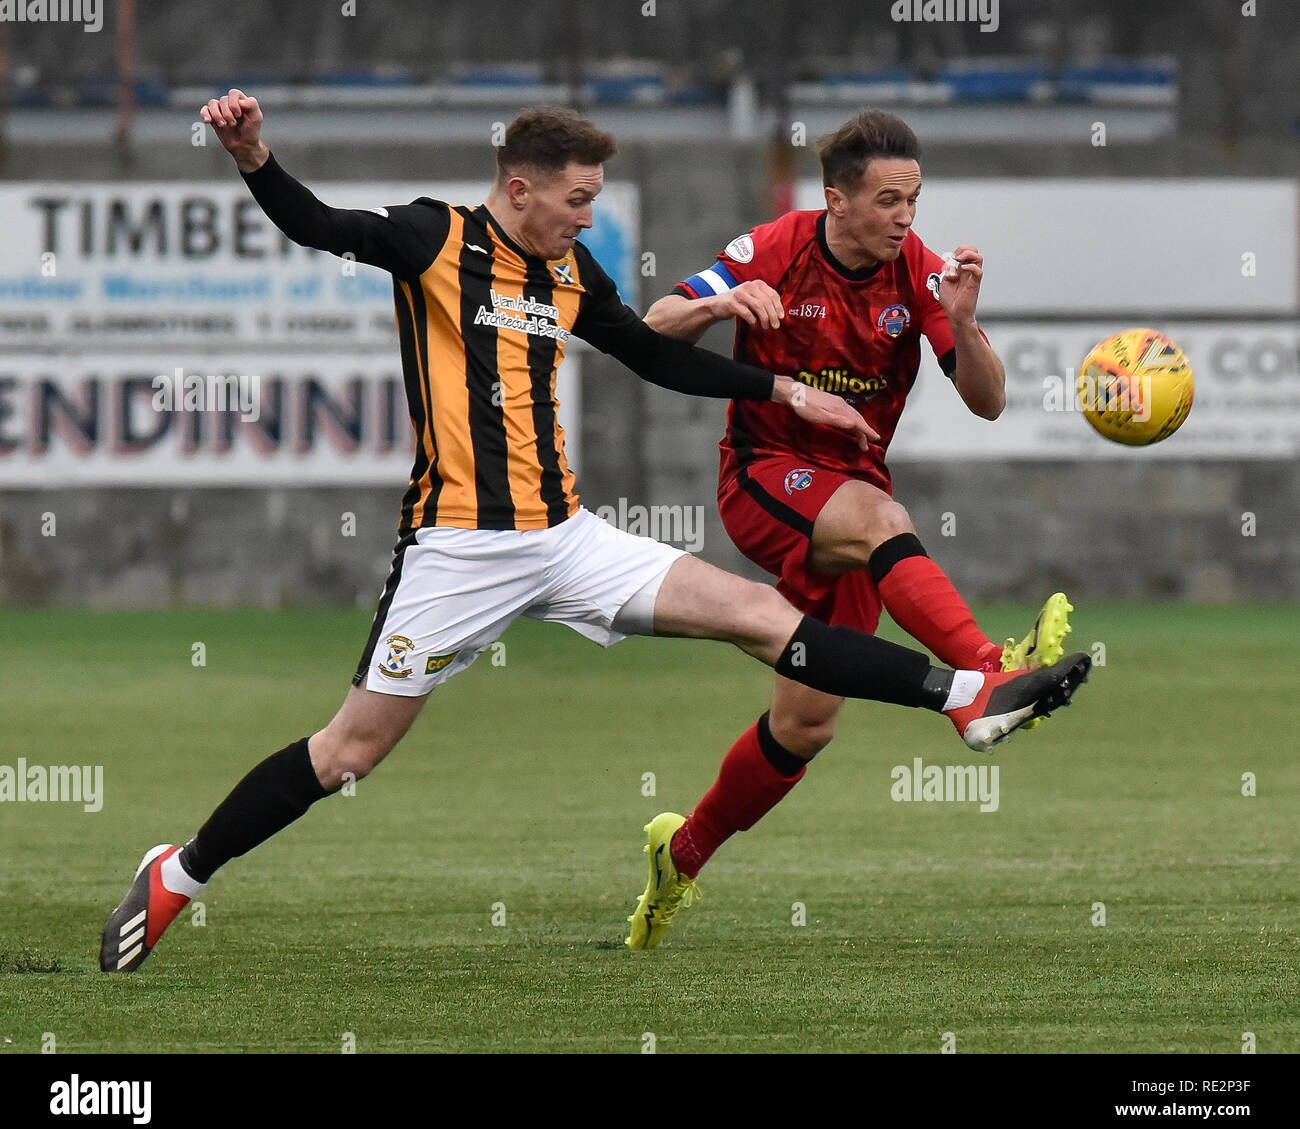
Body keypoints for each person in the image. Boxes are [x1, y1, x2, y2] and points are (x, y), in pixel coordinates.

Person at [100, 93, 1090, 972]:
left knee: (760, 614)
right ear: (519, 188)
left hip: (566, 538)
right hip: (457, 547)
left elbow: (651, 357)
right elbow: (319, 224)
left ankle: (966, 692)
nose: (588, 212)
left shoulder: (571, 269)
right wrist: (253, 158)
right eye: (577, 197)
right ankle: (178, 874)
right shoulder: (432, 237)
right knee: (348, 750)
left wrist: (778, 385)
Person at [633, 109, 1076, 946]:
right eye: (888, 201)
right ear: (836, 200)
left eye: (913, 198)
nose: (906, 217)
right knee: (884, 520)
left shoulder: (920, 274)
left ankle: (680, 857)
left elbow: (987, 402)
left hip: (850, 496)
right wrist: (725, 299)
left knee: (805, 724)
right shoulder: (771, 247)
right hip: (764, 478)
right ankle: (990, 670)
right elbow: (650, 327)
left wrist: (967, 321)